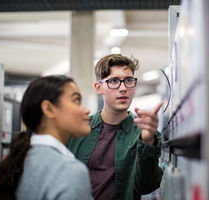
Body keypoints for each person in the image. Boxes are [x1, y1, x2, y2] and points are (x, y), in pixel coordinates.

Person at [67, 54, 163, 200]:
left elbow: (146, 186)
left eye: (129, 81)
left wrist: (148, 142)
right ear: (99, 88)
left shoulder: (144, 134)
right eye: (114, 81)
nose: (123, 88)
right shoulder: (78, 130)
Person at [0, 75, 93, 200]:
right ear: (49, 109)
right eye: (76, 101)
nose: (86, 110)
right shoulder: (69, 171)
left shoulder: (19, 159)